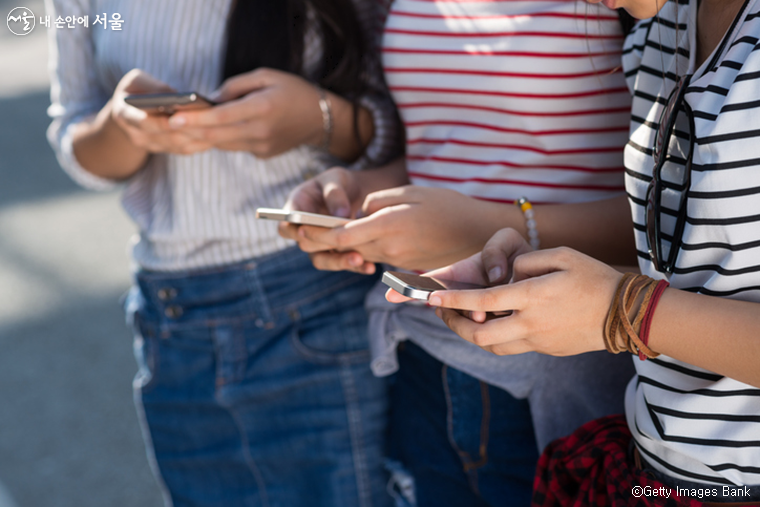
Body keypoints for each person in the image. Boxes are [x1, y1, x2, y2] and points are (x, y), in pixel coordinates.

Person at [45, 1, 402, 506]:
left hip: (312, 299)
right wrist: (122, 127)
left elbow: (419, 131)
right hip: (169, 319)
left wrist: (318, 118)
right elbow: (74, 131)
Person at [402, 0, 760, 503]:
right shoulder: (659, 30)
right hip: (654, 476)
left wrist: (618, 310)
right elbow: (701, 263)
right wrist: (548, 281)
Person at [281, 2, 639, 505]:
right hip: (421, 348)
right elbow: (447, 147)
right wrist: (361, 193)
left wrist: (488, 227)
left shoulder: (633, 8)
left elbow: (679, 214)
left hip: (549, 370)